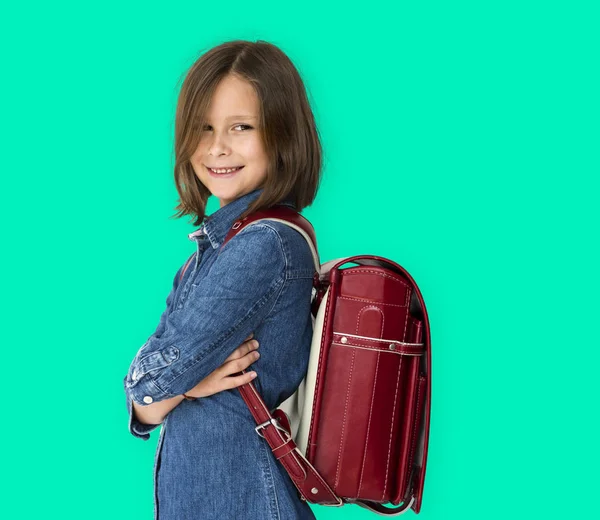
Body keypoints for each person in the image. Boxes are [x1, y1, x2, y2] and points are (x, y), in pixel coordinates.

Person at [123, 39, 322, 520]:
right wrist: (181, 384)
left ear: (283, 134)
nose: (216, 147)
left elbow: (149, 385)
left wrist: (174, 385)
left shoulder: (265, 245)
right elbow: (145, 406)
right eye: (203, 127)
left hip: (245, 502)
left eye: (241, 127)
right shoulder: (211, 251)